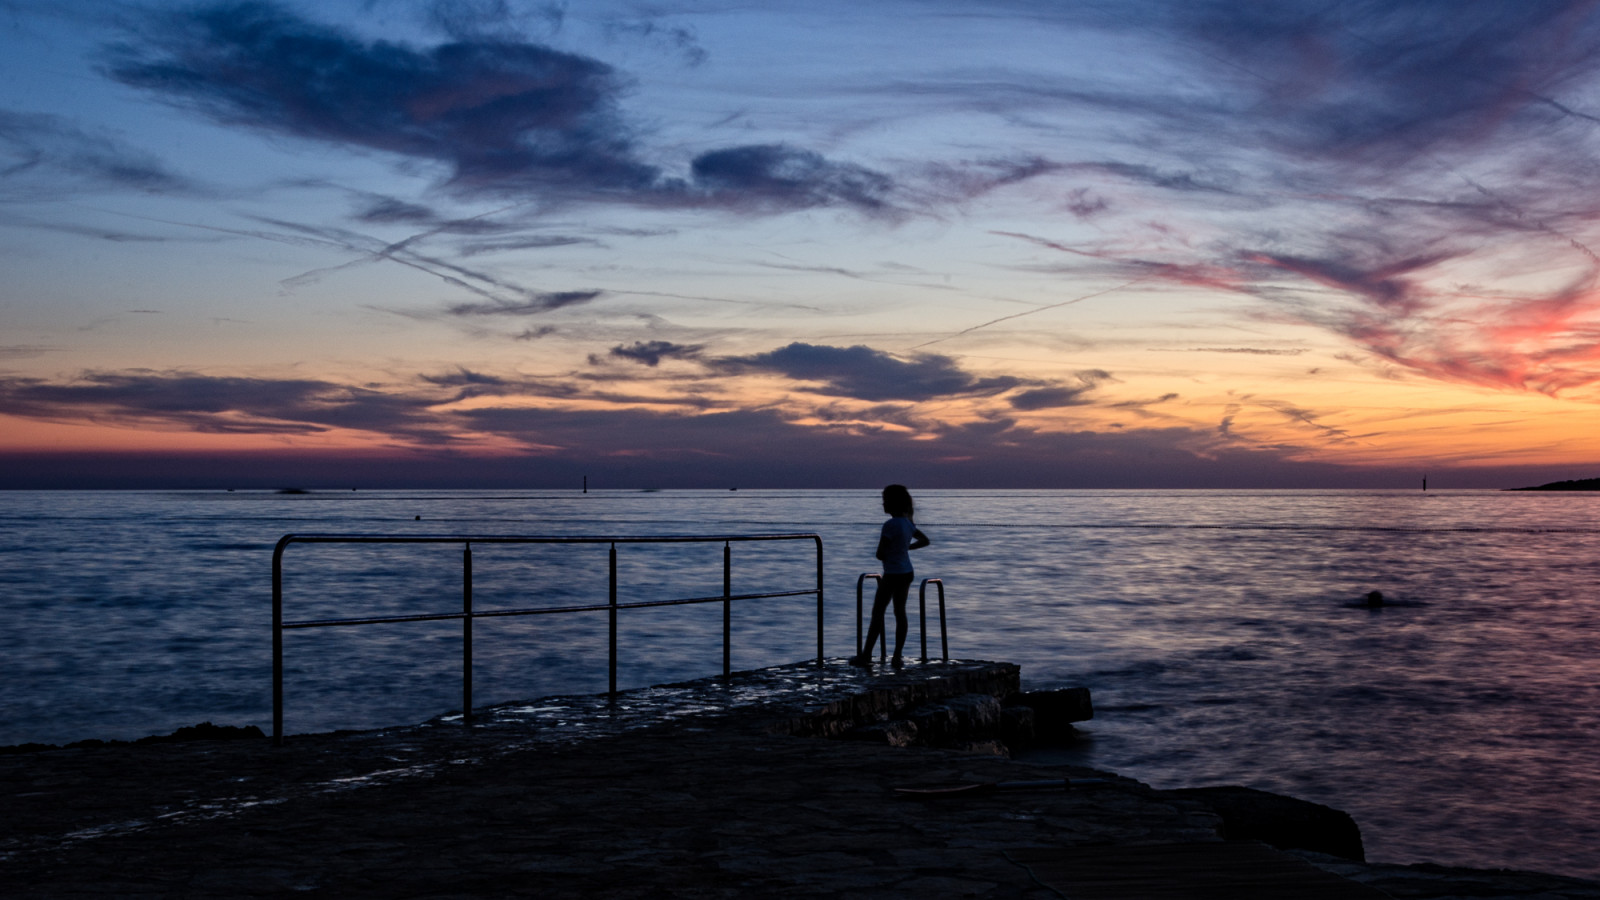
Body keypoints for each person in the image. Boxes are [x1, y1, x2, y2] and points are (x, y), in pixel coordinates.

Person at [850, 484, 930, 669]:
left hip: (892, 574)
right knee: (900, 613)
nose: (882, 504)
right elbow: (925, 540)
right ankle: (897, 656)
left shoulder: (890, 525)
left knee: (877, 613)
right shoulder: (908, 523)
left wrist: (891, 551)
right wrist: (905, 549)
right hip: (906, 572)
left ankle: (866, 655)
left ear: (893, 503)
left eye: (885, 500)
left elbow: (880, 553)